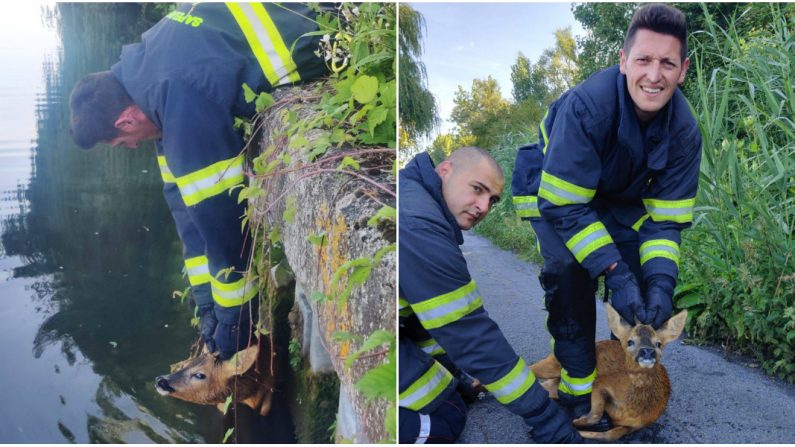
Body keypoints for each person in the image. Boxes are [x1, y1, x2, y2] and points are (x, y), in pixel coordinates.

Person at [68, 3, 331, 360]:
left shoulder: (178, 97)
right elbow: (183, 205)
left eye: (120, 143)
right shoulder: (148, 78)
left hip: (325, 37)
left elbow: (221, 221)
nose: (129, 148)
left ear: (126, 122)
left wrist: (234, 325)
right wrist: (206, 304)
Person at [511, 3, 700, 425]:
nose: (654, 75)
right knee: (569, 269)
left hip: (613, 198)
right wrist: (614, 271)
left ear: (682, 69)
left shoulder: (685, 132)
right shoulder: (587, 107)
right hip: (554, 193)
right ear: (622, 61)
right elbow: (566, 204)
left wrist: (659, 286)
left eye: (667, 63)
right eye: (644, 60)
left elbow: (664, 221)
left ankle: (623, 377)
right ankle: (576, 389)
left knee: (639, 280)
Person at [399, 147, 582, 443]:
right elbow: (472, 335)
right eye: (477, 189)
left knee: (449, 391)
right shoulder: (420, 225)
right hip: (375, 343)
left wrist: (452, 373)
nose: (483, 206)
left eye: (492, 200)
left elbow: (427, 318)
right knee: (449, 416)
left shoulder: (417, 203)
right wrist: (546, 417)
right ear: (444, 171)